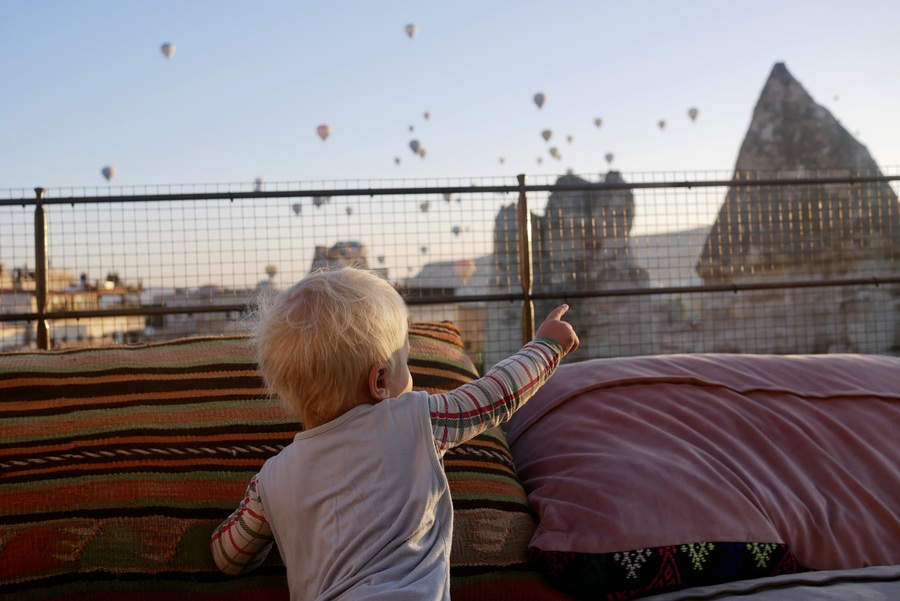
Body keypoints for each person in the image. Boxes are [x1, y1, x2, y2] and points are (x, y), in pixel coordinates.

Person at [210, 267, 578, 600]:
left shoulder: (271, 480)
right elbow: (495, 396)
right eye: (405, 361)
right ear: (381, 380)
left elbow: (229, 555)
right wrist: (546, 346)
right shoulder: (416, 421)